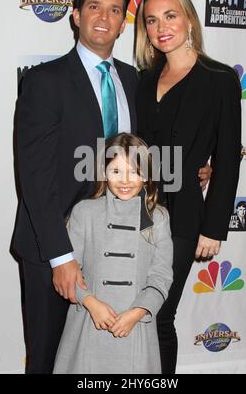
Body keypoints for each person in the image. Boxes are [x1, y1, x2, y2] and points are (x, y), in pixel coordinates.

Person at [14, 0, 138, 374]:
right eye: (94, 6)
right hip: (54, 249)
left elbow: (141, 156)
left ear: (123, 22)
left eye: (115, 10)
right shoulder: (43, 81)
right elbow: (34, 176)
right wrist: (61, 257)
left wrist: (192, 170)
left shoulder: (133, 80)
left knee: (99, 359)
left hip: (113, 245)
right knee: (48, 359)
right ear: (76, 15)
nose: (104, 17)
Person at [135, 0, 242, 373]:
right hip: (135, 210)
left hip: (183, 215)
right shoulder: (143, 79)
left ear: (189, 20)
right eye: (151, 19)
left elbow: (228, 158)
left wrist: (213, 228)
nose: (161, 26)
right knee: (134, 307)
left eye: (170, 15)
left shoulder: (219, 79)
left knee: (159, 314)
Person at [53, 133, 173, 374]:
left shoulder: (157, 217)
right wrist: (90, 302)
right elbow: (69, 270)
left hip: (136, 324)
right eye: (116, 171)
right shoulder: (84, 212)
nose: (125, 180)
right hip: (89, 321)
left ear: (147, 175)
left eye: (134, 171)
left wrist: (138, 312)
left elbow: (161, 275)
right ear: (103, 172)